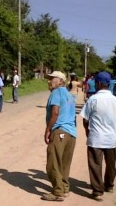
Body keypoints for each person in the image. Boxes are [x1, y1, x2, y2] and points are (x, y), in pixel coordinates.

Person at [80, 71, 116, 202]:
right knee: (111, 164)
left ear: (99, 83)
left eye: (96, 82)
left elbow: (85, 119)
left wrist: (87, 132)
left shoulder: (92, 100)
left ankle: (97, 191)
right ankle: (109, 185)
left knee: (95, 164)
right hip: (111, 139)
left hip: (96, 138)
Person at [42, 71, 77, 202]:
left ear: (61, 81)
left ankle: (58, 192)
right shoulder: (69, 95)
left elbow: (55, 112)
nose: (49, 81)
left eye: (52, 79)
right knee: (64, 163)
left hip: (60, 132)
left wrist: (48, 130)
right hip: (71, 134)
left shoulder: (56, 93)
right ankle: (65, 188)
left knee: (53, 162)